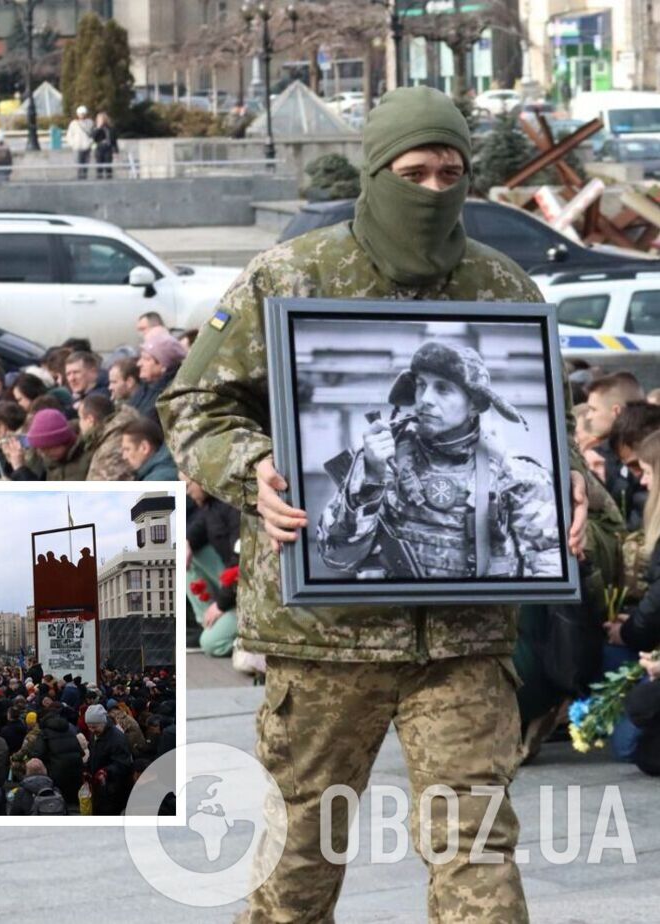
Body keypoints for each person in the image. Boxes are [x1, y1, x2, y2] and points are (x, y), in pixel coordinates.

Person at [159, 86, 579, 921]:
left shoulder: (503, 289)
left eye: (450, 172)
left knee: (478, 849)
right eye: (413, 171)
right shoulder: (288, 274)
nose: (432, 190)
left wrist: (571, 493)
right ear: (376, 171)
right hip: (322, 636)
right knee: (302, 856)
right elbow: (195, 402)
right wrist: (259, 469)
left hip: (463, 634)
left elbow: (549, 432)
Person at [315, 341, 562, 579]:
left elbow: (550, 569)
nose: (425, 399)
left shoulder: (516, 474)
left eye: (443, 388)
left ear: (475, 404)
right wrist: (371, 479)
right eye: (422, 385)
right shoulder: (380, 459)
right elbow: (336, 558)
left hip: (478, 617)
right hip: (388, 617)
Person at [4, 408, 89, 481]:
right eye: (39, 449)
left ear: (62, 441)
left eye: (46, 449)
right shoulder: (50, 461)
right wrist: (18, 466)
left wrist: (20, 469)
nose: (42, 453)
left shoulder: (88, 458)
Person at [79, 394, 141, 482]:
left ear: (90, 420)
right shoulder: (113, 434)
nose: (79, 423)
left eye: (80, 418)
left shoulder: (109, 451)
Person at [121, 415, 180, 481]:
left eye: (127, 449)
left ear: (144, 448)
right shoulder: (170, 463)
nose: (124, 457)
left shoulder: (157, 480)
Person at [67, 105, 96, 180]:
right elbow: (69, 135)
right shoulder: (73, 123)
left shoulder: (90, 123)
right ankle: (79, 178)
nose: (82, 115)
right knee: (78, 165)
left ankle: (84, 178)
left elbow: (93, 134)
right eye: (80, 113)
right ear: (78, 114)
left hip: (87, 147)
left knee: (86, 165)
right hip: (77, 147)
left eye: (83, 113)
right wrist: (73, 144)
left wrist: (90, 143)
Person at [93, 110, 119, 179]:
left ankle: (109, 182)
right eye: (98, 119)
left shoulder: (110, 128)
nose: (99, 120)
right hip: (99, 149)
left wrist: (116, 151)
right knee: (99, 168)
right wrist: (98, 128)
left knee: (108, 167)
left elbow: (114, 141)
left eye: (101, 119)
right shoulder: (96, 128)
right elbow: (94, 138)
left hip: (108, 149)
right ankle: (99, 181)